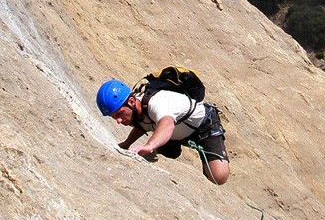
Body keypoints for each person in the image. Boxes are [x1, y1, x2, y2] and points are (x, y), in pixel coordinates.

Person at [96, 79, 230, 185]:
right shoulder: (133, 109)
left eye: (119, 114)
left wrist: (150, 146)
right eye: (113, 117)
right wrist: (127, 143)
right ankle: (171, 149)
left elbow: (167, 125)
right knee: (167, 153)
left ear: (131, 101)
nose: (118, 121)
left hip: (203, 127)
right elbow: (143, 124)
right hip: (176, 131)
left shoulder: (157, 103)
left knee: (218, 177)